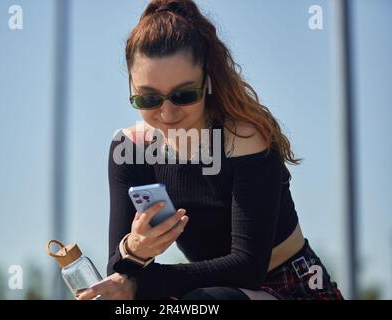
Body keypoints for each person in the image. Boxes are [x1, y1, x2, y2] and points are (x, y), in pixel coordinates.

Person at [77, 0, 343, 300]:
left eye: (184, 95)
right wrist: (134, 249)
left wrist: (142, 283)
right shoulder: (129, 147)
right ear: (131, 88)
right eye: (148, 99)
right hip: (208, 291)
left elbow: (247, 268)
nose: (167, 113)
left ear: (208, 83)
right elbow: (119, 268)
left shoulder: (242, 137)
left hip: (292, 288)